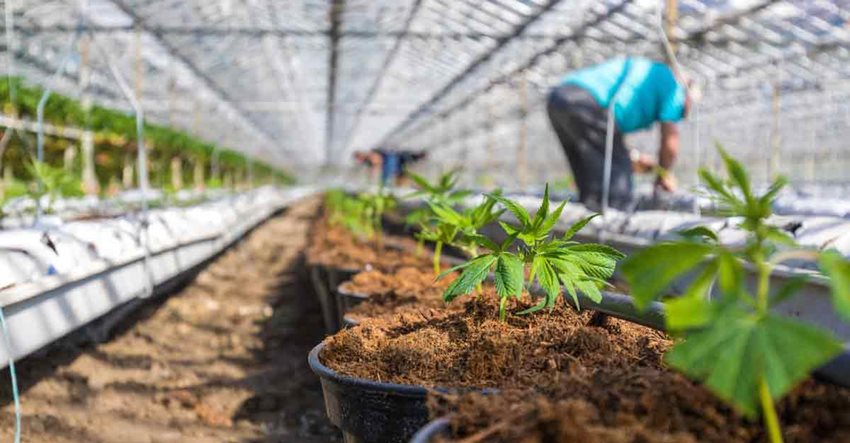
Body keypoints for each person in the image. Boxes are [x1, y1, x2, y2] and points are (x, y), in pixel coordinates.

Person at [547, 56, 691, 211]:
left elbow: (608, 141)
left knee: (591, 184)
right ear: (687, 92)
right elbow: (670, 143)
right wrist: (663, 175)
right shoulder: (674, 87)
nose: (683, 115)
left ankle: (588, 226)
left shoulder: (650, 75)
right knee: (618, 192)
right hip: (588, 102)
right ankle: (611, 227)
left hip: (559, 98)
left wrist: (633, 158)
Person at [353, 148, 426, 187]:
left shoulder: (371, 154)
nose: (360, 159)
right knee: (403, 178)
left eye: (360, 157)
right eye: (359, 159)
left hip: (393, 160)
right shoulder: (368, 161)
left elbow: (378, 160)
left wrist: (376, 165)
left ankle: (418, 156)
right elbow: (376, 167)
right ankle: (417, 186)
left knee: (406, 158)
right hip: (393, 165)